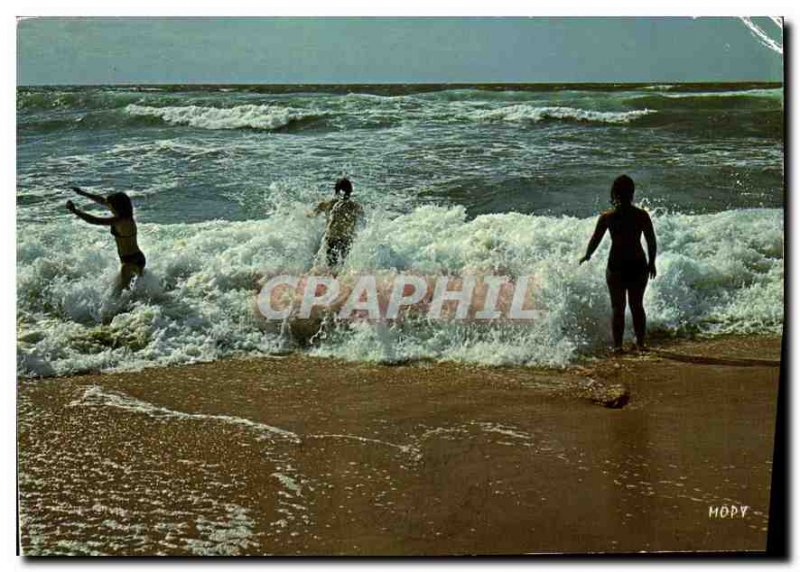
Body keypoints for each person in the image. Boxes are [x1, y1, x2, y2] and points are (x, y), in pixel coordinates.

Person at [579, 175, 657, 353]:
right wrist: (652, 262)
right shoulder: (641, 215)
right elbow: (651, 241)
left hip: (616, 266)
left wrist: (588, 255)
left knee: (618, 308)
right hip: (638, 265)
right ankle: (641, 344)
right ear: (632, 193)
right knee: (637, 306)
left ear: (614, 193)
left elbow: (595, 240)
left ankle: (618, 346)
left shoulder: (608, 217)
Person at [66, 186, 146, 293]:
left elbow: (95, 220)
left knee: (123, 293)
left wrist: (75, 211)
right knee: (132, 292)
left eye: (110, 205)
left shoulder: (121, 221)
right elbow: (102, 200)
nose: (108, 207)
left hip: (130, 261)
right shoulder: (124, 217)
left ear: (117, 207)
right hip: (136, 258)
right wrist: (83, 193)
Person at [311, 177, 364, 268]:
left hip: (332, 239)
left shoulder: (328, 204)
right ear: (350, 191)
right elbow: (362, 222)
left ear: (336, 190)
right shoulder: (356, 207)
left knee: (331, 267)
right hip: (347, 240)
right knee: (344, 266)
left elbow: (312, 215)